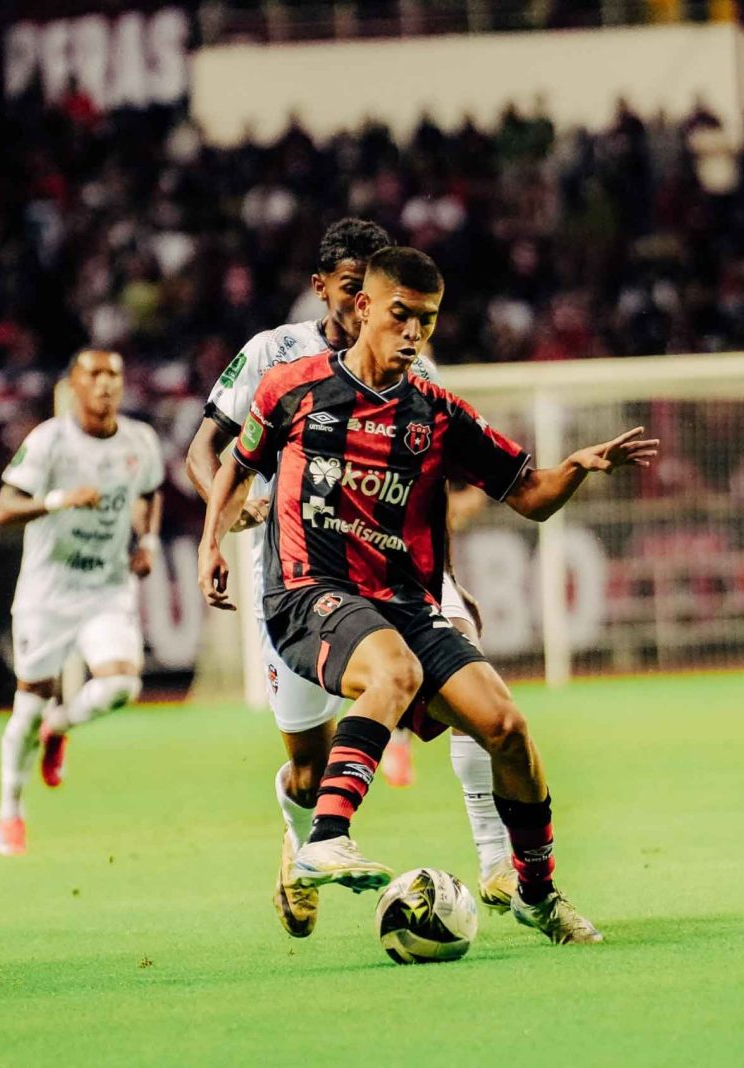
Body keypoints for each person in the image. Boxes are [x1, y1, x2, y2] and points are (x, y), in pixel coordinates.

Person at [203, 247, 658, 944]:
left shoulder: (437, 411)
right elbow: (235, 465)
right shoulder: (291, 385)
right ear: (363, 309)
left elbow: (529, 495)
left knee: (506, 728)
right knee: (390, 678)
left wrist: (577, 468)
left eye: (427, 319)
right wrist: (211, 544)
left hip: (401, 599)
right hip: (306, 589)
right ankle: (325, 837)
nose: (414, 332)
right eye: (401, 315)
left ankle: (536, 893)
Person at [186, 219, 516, 938]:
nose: (367, 304)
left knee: (471, 668)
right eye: (350, 288)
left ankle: (497, 858)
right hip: (300, 572)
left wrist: (450, 580)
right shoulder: (274, 354)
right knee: (308, 762)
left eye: (380, 292)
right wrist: (229, 514)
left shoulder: (415, 362)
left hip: (397, 569)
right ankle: (301, 838)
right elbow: (204, 449)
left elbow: (428, 481)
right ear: (326, 288)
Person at [0, 349, 164, 855]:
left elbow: (149, 493)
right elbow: (1, 509)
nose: (106, 384)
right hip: (47, 593)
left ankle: (60, 724)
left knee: (121, 685)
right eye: (94, 375)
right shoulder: (49, 442)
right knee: (25, 707)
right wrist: (56, 500)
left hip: (106, 588)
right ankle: (11, 808)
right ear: (73, 385)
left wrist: (147, 542)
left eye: (114, 374)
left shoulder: (141, 441)